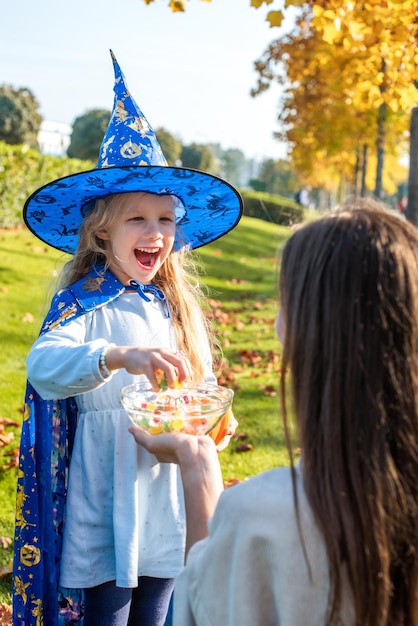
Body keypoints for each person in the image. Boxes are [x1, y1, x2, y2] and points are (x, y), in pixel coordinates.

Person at [12, 50, 242, 626]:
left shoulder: (173, 308)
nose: (156, 233)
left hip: (164, 494)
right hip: (105, 494)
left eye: (166, 220)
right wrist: (118, 356)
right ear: (102, 228)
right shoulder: (84, 304)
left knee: (160, 607)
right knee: (108, 614)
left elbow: (199, 384)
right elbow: (44, 365)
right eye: (139, 218)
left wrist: (213, 418)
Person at [130, 200, 418, 625]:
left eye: (286, 304)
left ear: (305, 334)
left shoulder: (265, 518)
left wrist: (198, 470)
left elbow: (205, 610)